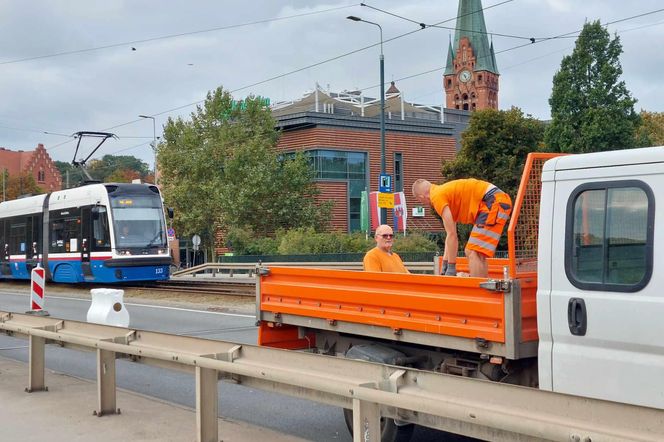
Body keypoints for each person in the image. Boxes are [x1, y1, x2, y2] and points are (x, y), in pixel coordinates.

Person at [412, 178, 512, 278]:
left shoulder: (437, 197)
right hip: (496, 200)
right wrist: (446, 263)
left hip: (493, 202)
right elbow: (450, 236)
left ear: (421, 197)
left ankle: (477, 290)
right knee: (478, 254)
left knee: (472, 252)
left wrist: (451, 267)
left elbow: (452, 235)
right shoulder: (443, 192)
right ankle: (482, 289)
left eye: (419, 200)